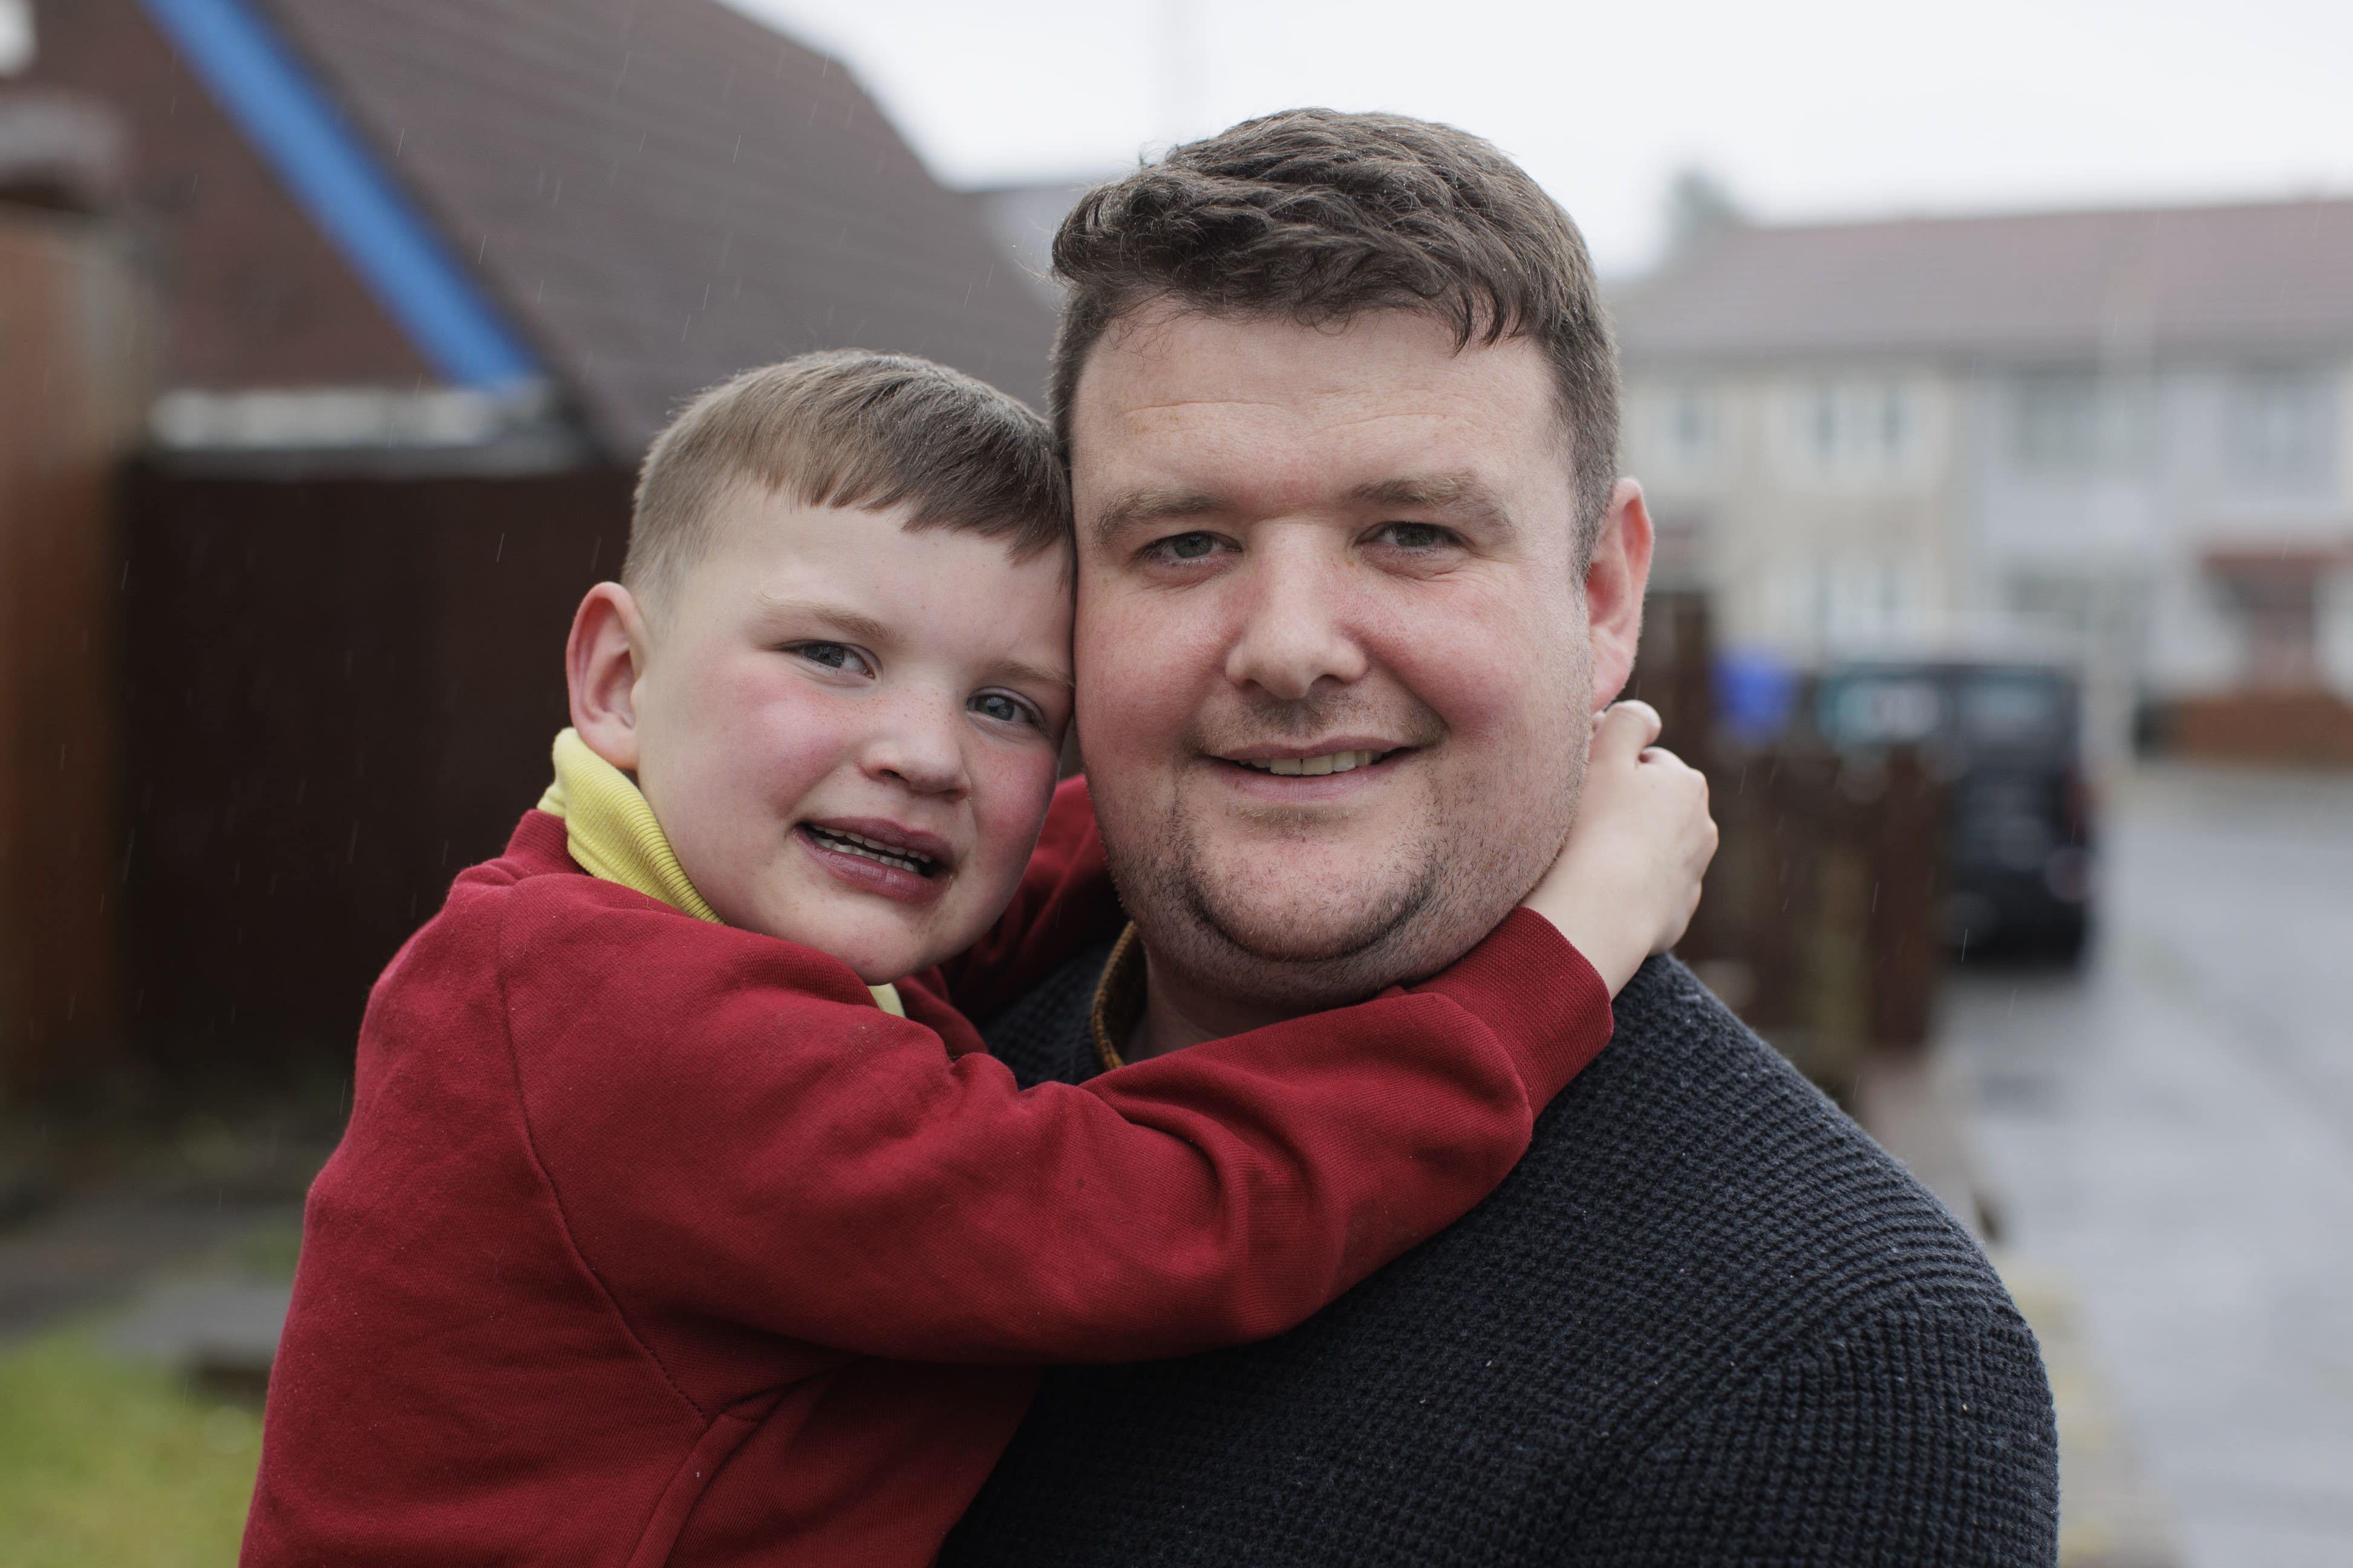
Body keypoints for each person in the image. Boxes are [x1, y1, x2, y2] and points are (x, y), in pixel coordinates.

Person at [241, 350, 1717, 1567]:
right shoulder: (624, 1025)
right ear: (620, 680)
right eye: (832, 655)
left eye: (1010, 707)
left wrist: (1238, 799)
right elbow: (1154, 1216)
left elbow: (1007, 895)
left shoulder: (617, 911)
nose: (922, 755)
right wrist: (1560, 951)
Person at [941, 111, 2062, 1566]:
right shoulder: (901, 1053)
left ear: (1601, 594)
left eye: (1410, 532)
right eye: (1184, 543)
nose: (1288, 650)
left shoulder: (1834, 1368)